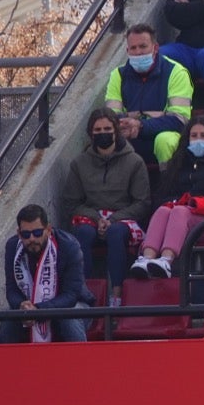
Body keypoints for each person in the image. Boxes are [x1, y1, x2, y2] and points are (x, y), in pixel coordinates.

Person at [130, 116, 204, 278]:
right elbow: (160, 197)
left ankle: (166, 260)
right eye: (194, 136)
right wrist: (176, 202)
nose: (198, 140)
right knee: (163, 210)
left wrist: (195, 203)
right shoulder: (177, 164)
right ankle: (146, 258)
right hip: (179, 217)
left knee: (180, 211)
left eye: (203, 136)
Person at [63, 109, 150, 306]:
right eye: (98, 130)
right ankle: (84, 293)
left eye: (107, 129)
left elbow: (142, 202)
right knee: (83, 233)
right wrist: (96, 218)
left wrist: (113, 219)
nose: (103, 133)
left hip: (122, 218)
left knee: (115, 233)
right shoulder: (79, 163)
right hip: (91, 216)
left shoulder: (134, 161)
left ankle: (117, 294)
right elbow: (71, 202)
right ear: (91, 133)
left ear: (116, 130)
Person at [1, 205, 93, 343]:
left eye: (37, 233)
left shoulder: (69, 246)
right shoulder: (12, 247)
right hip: (30, 307)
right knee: (8, 318)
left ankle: (81, 357)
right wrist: (21, 306)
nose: (32, 239)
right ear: (19, 233)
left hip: (73, 304)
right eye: (26, 234)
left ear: (48, 230)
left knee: (69, 318)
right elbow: (11, 290)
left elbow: (71, 295)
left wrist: (39, 310)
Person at [105, 23, 193, 165]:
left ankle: (168, 178)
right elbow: (111, 115)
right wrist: (127, 124)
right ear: (127, 51)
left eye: (143, 46)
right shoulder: (118, 75)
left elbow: (179, 120)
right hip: (129, 134)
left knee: (165, 141)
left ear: (155, 48)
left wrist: (140, 125)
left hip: (166, 133)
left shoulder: (176, 72)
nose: (138, 52)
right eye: (133, 48)